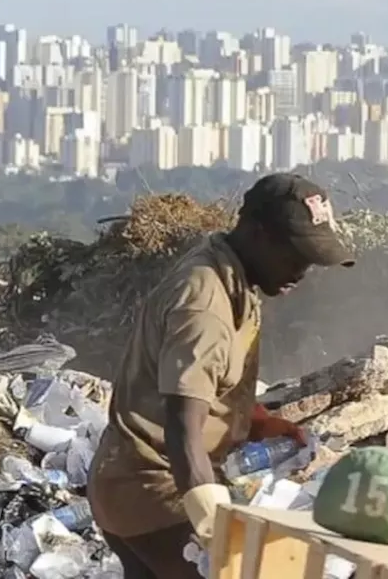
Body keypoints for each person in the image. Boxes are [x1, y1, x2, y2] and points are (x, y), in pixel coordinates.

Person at [88, 173, 355, 579]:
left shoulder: (229, 272)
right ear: (257, 233)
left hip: (125, 484)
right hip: (155, 494)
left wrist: (258, 421)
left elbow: (206, 384)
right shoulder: (206, 304)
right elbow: (182, 427)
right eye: (296, 255)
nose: (302, 272)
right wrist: (214, 526)